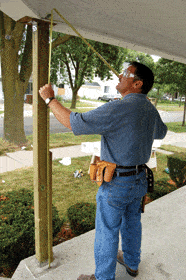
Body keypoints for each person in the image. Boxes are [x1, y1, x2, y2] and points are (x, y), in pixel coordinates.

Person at [39, 61, 167, 280]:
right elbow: (161, 133)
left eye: (126, 73)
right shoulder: (148, 107)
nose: (120, 74)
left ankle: (103, 278)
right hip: (139, 180)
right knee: (132, 223)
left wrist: (50, 99)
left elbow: (74, 123)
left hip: (117, 183)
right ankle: (132, 262)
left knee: (107, 231)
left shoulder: (119, 108)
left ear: (137, 84)